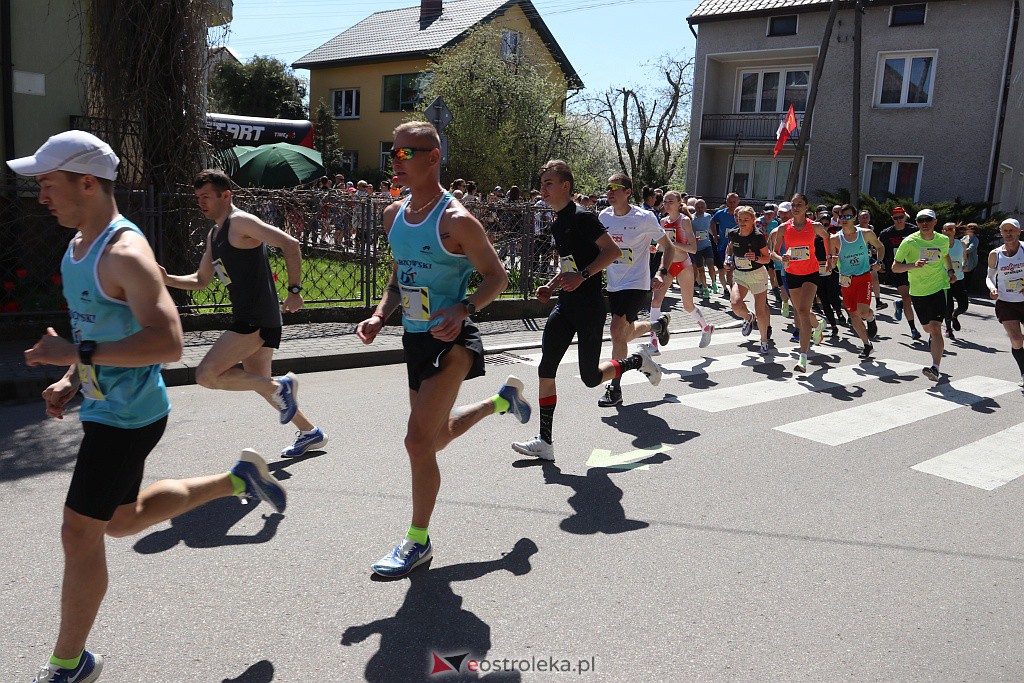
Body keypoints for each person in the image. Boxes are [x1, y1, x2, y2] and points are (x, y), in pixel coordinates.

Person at [9, 131, 287, 683]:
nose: (41, 195)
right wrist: (71, 377)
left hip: (129, 416)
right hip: (103, 405)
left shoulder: (125, 252)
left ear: (87, 183)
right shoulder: (78, 247)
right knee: (120, 520)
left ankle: (69, 663)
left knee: (78, 530)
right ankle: (239, 480)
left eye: (48, 183)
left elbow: (169, 343)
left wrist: (75, 353)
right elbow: (100, 326)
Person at [355, 121, 529, 578]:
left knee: (416, 442)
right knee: (433, 438)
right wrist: (379, 315)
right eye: (393, 152)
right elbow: (398, 280)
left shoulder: (456, 221)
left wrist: (464, 308)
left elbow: (497, 277)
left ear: (433, 158)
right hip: (414, 338)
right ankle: (499, 403)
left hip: (452, 340)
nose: (395, 160)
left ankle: (418, 541)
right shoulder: (395, 214)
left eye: (405, 153)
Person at [162, 169, 326, 457]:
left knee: (206, 375)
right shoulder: (216, 234)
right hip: (252, 316)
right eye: (198, 197)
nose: (201, 202)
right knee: (262, 385)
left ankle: (282, 385)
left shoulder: (241, 221)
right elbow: (200, 280)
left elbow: (290, 243)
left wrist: (295, 291)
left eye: (206, 197)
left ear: (226, 196)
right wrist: (164, 278)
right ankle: (310, 432)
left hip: (255, 317)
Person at [511, 160, 661, 460]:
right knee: (546, 368)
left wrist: (583, 276)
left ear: (565, 186)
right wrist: (552, 286)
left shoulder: (583, 217)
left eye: (548, 183)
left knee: (591, 378)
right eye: (542, 183)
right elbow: (569, 264)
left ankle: (636, 360)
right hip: (565, 306)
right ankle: (545, 441)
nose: (543, 188)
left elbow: (612, 251)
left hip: (589, 307)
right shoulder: (556, 221)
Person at [595, 174, 675, 406]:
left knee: (616, 331)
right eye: (607, 187)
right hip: (614, 283)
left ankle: (615, 388)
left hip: (636, 283)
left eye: (615, 188)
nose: (610, 191)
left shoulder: (644, 217)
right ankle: (658, 325)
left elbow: (668, 247)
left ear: (628, 192)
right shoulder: (604, 216)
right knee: (624, 333)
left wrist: (662, 271)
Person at [769, 193, 833, 374]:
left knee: (803, 312)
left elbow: (827, 237)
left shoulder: (815, 226)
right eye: (793, 204)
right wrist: (783, 258)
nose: (795, 207)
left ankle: (803, 358)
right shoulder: (783, 228)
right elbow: (773, 252)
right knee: (800, 311)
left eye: (799, 204)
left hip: (811, 273)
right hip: (792, 274)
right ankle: (819, 324)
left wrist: (828, 257)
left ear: (806, 208)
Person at [892, 208, 957, 381]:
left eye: (928, 219)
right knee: (928, 328)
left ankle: (935, 368)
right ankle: (931, 337)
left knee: (936, 328)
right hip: (918, 291)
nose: (924, 223)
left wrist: (950, 271)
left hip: (939, 288)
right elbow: (895, 267)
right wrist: (913, 265)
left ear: (935, 222)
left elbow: (945, 256)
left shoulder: (943, 240)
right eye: (921, 220)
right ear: (917, 223)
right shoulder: (909, 242)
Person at [651, 191, 714, 352]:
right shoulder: (663, 221)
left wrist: (673, 244)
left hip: (683, 265)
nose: (666, 204)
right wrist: (655, 248)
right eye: (664, 201)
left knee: (688, 305)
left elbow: (692, 249)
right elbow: (662, 244)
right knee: (655, 301)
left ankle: (706, 328)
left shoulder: (684, 221)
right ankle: (653, 343)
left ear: (680, 203)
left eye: (670, 201)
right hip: (667, 265)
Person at [831, 204, 886, 358]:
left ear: (854, 218)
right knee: (854, 315)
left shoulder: (866, 234)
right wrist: (831, 263)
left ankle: (870, 317)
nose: (844, 219)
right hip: (846, 281)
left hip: (863, 277)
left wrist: (878, 262)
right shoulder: (835, 239)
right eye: (841, 216)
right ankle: (867, 345)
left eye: (848, 216)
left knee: (862, 311)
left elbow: (880, 248)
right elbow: (831, 260)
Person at [725, 205, 773, 354]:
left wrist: (756, 257)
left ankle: (764, 341)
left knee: (761, 311)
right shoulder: (733, 233)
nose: (742, 222)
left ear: (753, 220)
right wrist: (727, 259)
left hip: (757, 274)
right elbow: (730, 247)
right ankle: (748, 317)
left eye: (746, 219)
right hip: (740, 274)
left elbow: (767, 259)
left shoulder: (758, 236)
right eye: (740, 219)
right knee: (735, 304)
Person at [986, 218, 1024, 385]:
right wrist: (992, 288)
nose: (1008, 234)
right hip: (1006, 301)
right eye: (1005, 230)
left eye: (1012, 230)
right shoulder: (995, 254)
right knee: (1016, 339)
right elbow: (989, 276)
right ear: (1001, 233)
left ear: (1018, 231)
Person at [879, 206, 921, 340]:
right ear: (892, 219)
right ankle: (913, 329)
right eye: (895, 218)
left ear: (905, 217)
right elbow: (880, 248)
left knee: (915, 298)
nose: (898, 220)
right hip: (897, 269)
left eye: (901, 217)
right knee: (907, 297)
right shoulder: (886, 233)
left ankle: (900, 304)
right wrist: (880, 263)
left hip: (914, 268)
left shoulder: (914, 230)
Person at [942, 222, 969, 339]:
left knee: (964, 306)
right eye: (946, 229)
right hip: (945, 280)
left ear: (955, 231)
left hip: (959, 278)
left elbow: (965, 259)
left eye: (951, 229)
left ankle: (954, 316)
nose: (948, 231)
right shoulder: (940, 244)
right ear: (942, 231)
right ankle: (948, 329)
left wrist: (964, 265)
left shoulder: (961, 244)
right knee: (948, 306)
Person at [858, 209, 887, 310]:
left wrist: (873, 250)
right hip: (858, 258)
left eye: (867, 217)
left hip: (869, 257)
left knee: (874, 278)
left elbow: (873, 243)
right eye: (862, 217)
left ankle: (878, 301)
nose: (865, 219)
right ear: (858, 219)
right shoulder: (855, 230)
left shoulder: (871, 228)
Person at [711, 193, 739, 293]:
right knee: (724, 267)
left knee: (732, 268)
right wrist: (714, 235)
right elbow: (712, 221)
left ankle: (732, 287)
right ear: (726, 202)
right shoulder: (721, 213)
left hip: (737, 246)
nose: (732, 204)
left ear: (738, 202)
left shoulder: (741, 213)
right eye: (730, 202)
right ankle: (726, 288)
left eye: (734, 202)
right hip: (723, 244)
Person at [691, 198, 717, 297]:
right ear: (695, 207)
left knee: (711, 265)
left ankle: (714, 283)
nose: (700, 208)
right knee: (701, 270)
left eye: (702, 206)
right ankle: (705, 288)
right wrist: (693, 239)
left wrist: (714, 235)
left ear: (705, 207)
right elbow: (688, 231)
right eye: (698, 206)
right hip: (697, 247)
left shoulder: (708, 216)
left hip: (707, 245)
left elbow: (710, 227)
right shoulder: (691, 218)